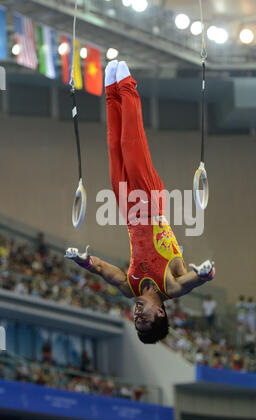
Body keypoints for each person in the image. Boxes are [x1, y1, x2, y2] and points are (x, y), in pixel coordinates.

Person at [65, 61, 215, 344]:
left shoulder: (129, 287)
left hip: (127, 209)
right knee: (132, 145)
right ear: (160, 313)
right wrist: (206, 274)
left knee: (114, 147)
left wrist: (82, 261)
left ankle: (111, 91)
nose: (137, 314)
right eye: (144, 318)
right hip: (151, 201)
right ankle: (127, 86)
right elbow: (194, 280)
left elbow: (101, 269)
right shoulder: (172, 287)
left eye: (136, 320)